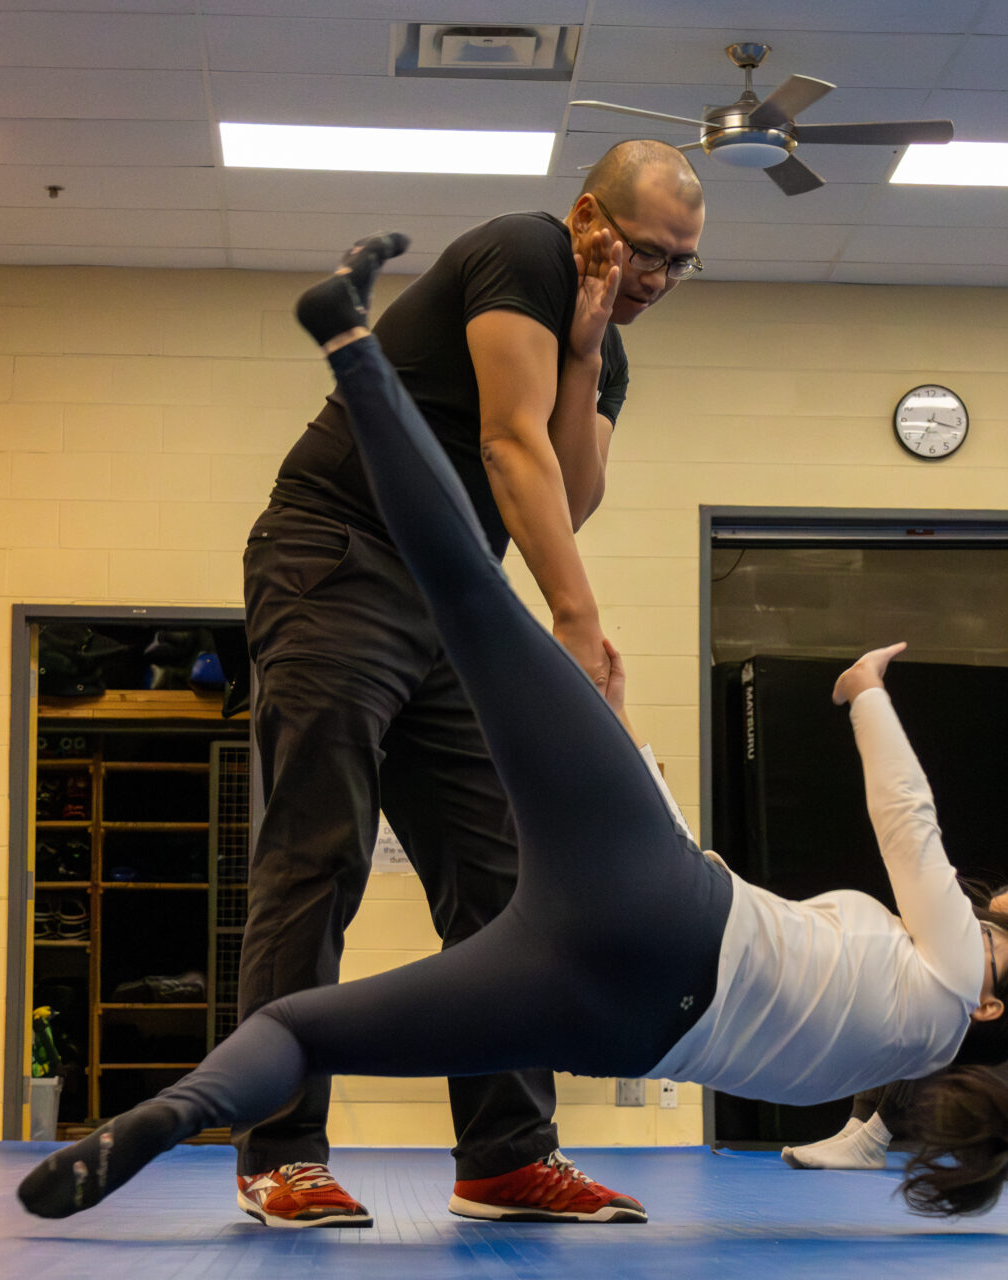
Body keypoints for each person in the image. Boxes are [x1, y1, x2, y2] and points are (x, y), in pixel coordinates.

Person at [18, 236, 1008, 1231]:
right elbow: (753, 954)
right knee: (303, 1026)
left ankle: (349, 343)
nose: (982, 912)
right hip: (606, 1011)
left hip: (658, 903)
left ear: (983, 999)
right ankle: (165, 1118)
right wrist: (620, 770)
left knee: (471, 593)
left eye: (998, 936)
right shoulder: (868, 1075)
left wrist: (865, 692)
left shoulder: (939, 973)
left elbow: (904, 818)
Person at [233, 140, 705, 1227]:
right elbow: (506, 447)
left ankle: (505, 1155)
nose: (658, 280)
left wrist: (588, 354)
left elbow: (571, 495)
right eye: (645, 251)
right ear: (589, 217)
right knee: (320, 851)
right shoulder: (521, 249)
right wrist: (576, 619)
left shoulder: (608, 349)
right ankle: (282, 1148)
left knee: (505, 876)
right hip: (337, 553)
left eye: (683, 264)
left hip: (445, 596)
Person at [781, 880, 1008, 1173]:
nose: (1005, 935)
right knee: (908, 1026)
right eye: (997, 926)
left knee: (934, 1035)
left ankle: (870, 1141)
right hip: (1006, 1113)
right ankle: (856, 1130)